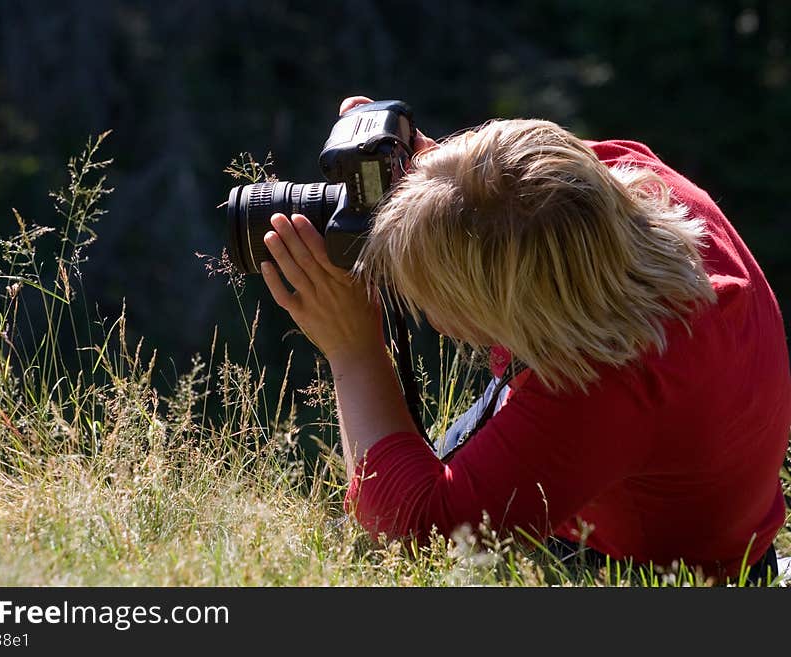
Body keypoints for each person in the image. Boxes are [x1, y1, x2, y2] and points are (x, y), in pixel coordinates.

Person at [260, 95, 791, 584]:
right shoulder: (630, 185)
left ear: (513, 311)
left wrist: (352, 349)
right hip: (677, 491)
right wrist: (428, 172)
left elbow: (421, 534)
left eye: (429, 288)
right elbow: (517, 187)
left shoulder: (603, 383)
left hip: (656, 576)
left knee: (391, 559)